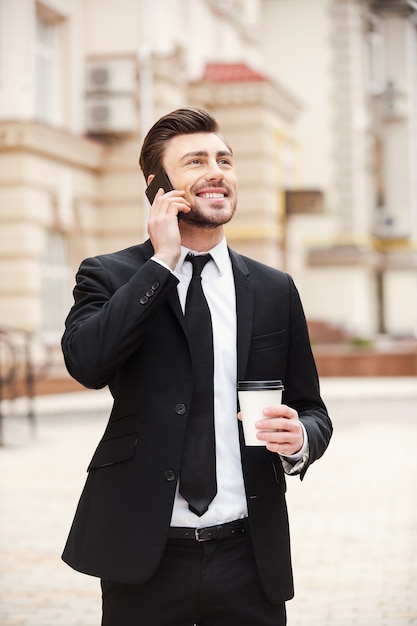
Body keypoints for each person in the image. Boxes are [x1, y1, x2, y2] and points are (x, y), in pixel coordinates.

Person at [61, 107, 333, 626]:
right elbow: (87, 363)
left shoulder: (275, 289)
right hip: (146, 556)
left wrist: (299, 439)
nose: (217, 171)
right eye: (196, 161)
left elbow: (312, 409)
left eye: (224, 159)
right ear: (158, 185)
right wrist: (161, 263)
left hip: (250, 555)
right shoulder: (111, 276)